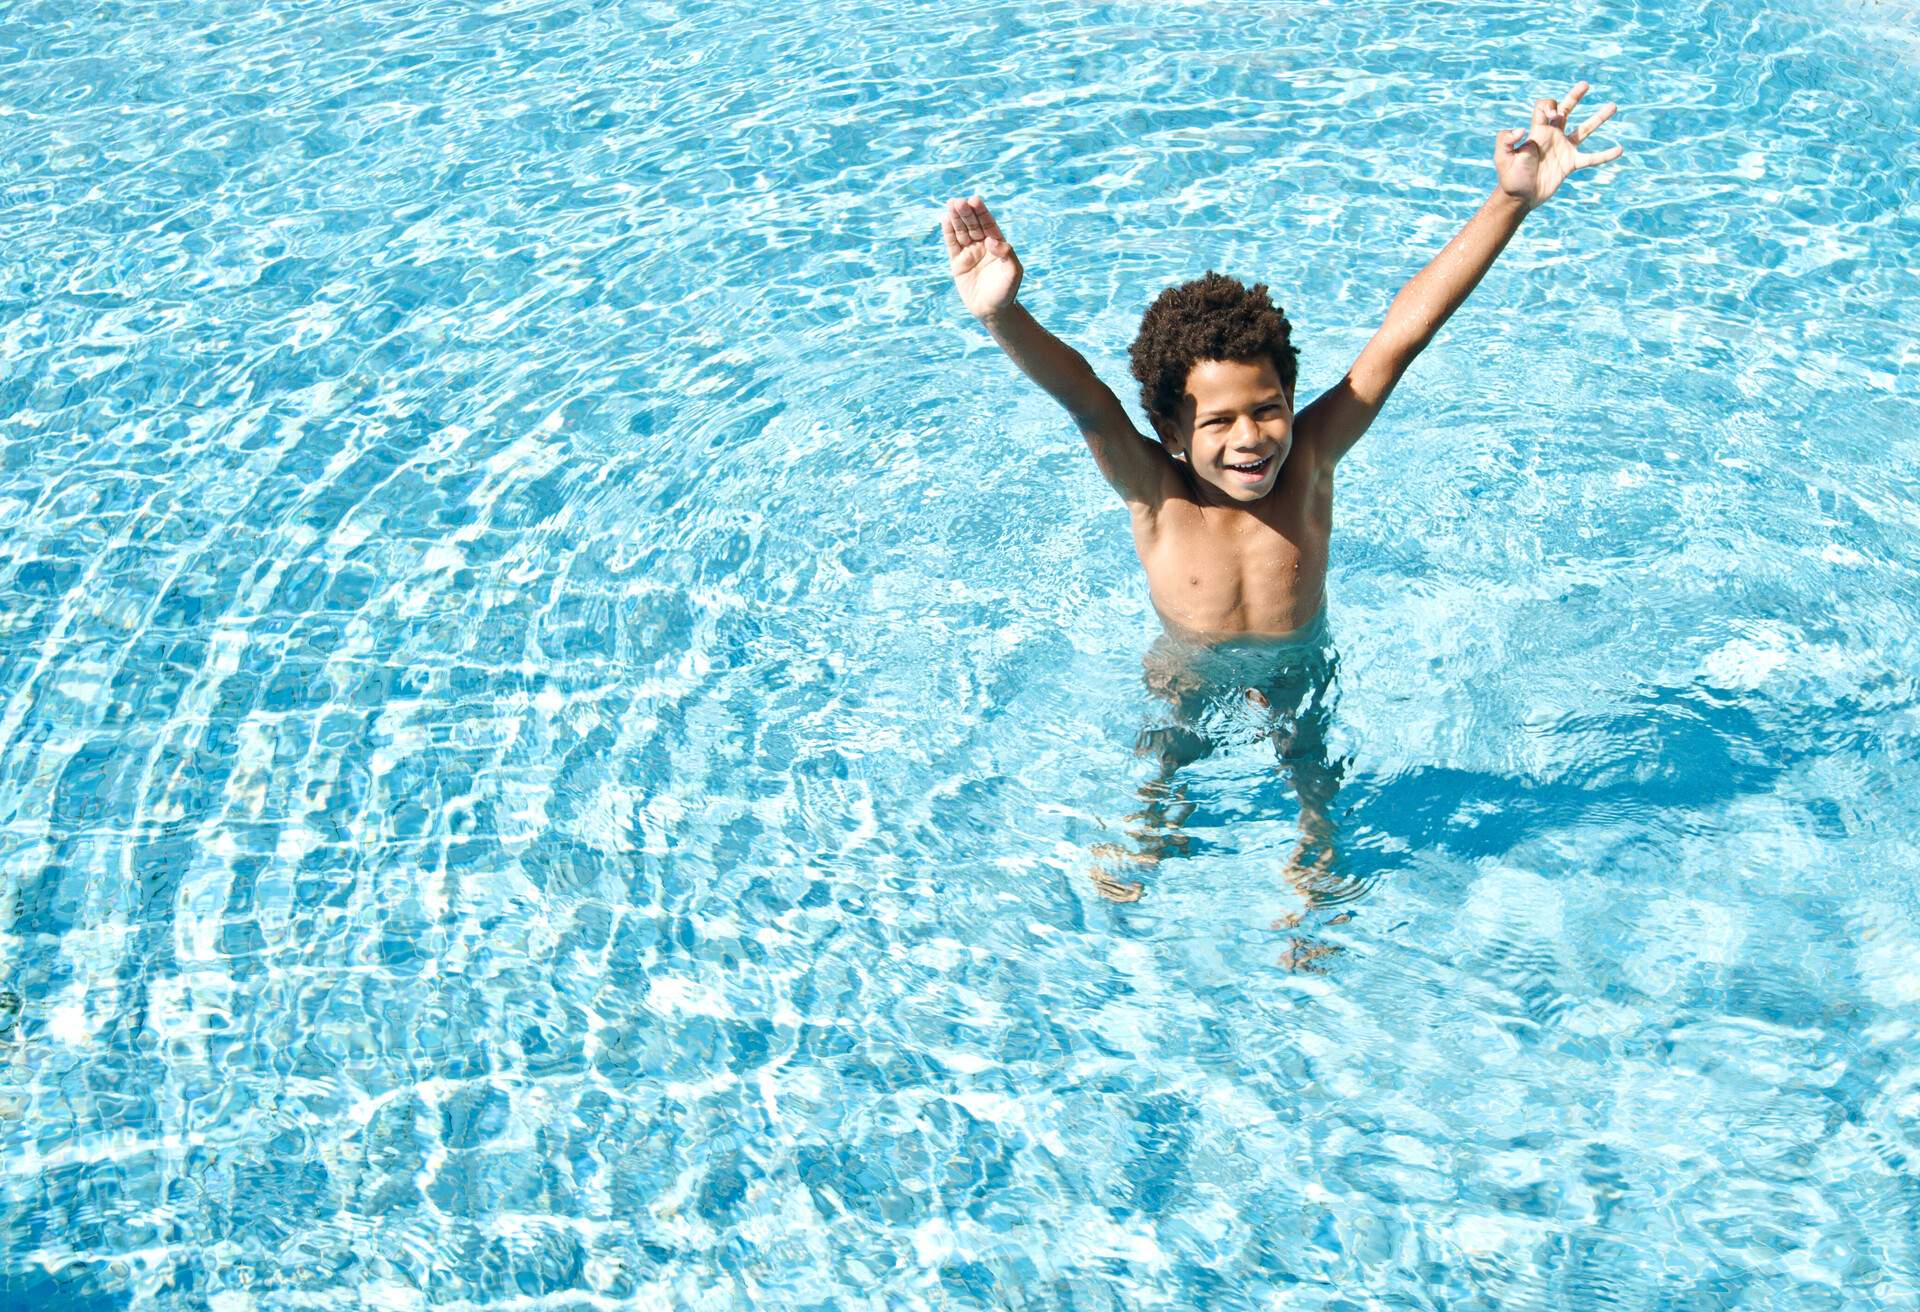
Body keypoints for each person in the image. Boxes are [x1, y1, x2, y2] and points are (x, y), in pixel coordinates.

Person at [940, 83, 1625, 918]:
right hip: (1190, 663)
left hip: (1297, 657)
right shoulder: (1156, 493)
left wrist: (1508, 203)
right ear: (1169, 430)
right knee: (1170, 751)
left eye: (1268, 409)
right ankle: (1155, 821)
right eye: (1218, 421)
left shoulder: (1313, 462)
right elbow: (1085, 397)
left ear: (1292, 397)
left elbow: (1406, 331)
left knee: (1310, 758)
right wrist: (1004, 316)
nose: (1251, 438)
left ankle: (1315, 839)